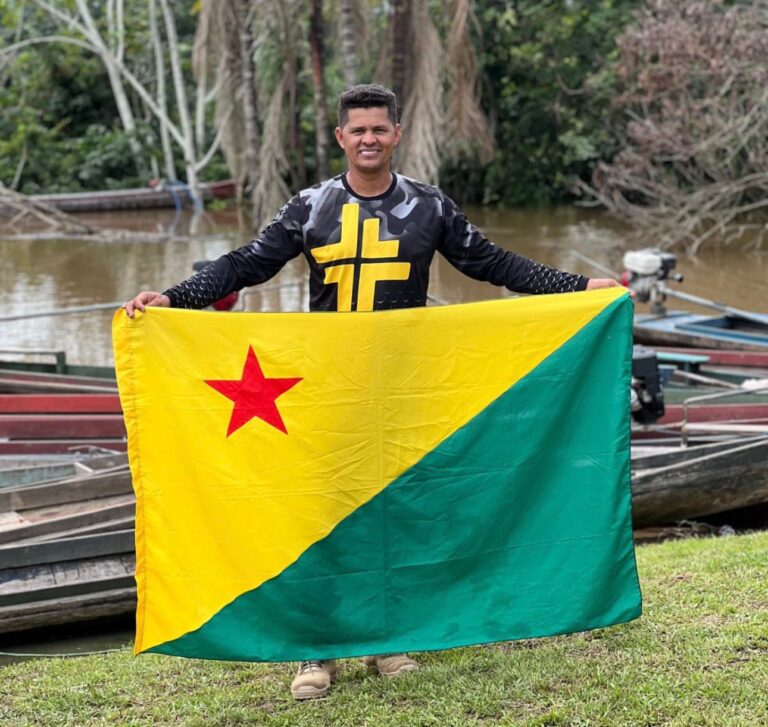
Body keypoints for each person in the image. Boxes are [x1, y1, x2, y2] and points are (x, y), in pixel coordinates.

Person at [124, 83, 618, 700]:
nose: (368, 139)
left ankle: (390, 640)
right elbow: (246, 265)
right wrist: (173, 297)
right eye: (357, 130)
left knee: (395, 513)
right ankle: (317, 650)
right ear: (340, 137)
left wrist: (578, 289)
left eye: (379, 129)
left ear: (396, 134)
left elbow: (495, 265)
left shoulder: (429, 206)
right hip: (328, 391)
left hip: (400, 390)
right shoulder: (309, 207)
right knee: (321, 516)